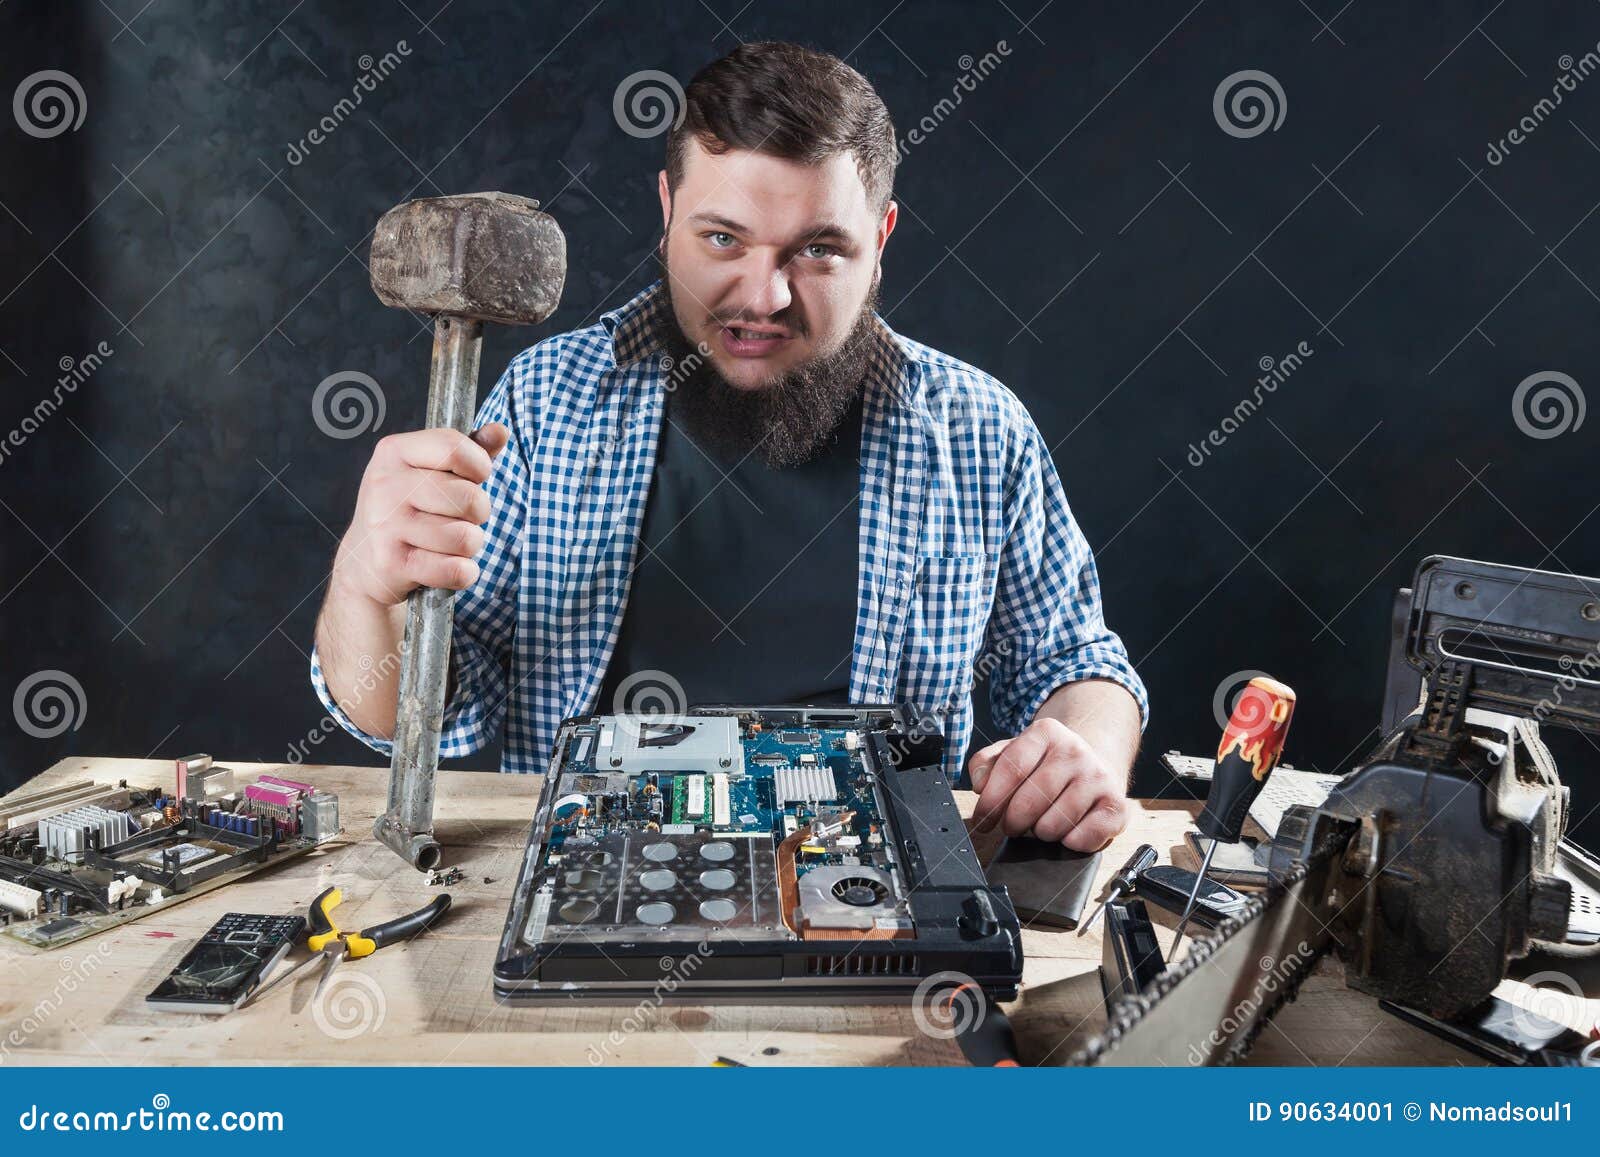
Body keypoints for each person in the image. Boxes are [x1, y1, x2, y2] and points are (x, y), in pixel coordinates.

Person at [310, 41, 1147, 851]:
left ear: (882, 239)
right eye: (723, 239)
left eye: (818, 250)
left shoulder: (978, 430)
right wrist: (363, 591)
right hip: (590, 881)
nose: (765, 295)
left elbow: (1073, 659)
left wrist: (1083, 753)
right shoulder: (545, 401)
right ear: (668, 211)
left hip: (868, 898)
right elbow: (437, 710)